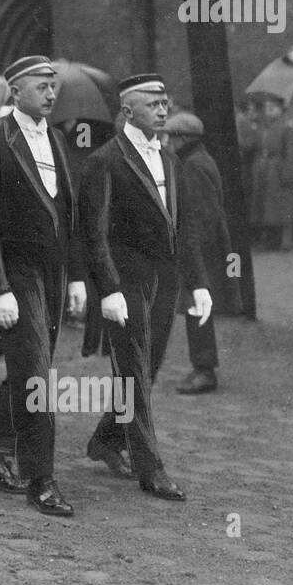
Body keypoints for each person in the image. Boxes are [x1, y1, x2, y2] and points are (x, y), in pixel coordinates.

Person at [78, 74, 211, 502]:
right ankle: (151, 467)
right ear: (127, 111)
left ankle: (106, 440)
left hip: (165, 280)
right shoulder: (105, 160)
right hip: (125, 279)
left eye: (164, 102)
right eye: (152, 103)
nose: (162, 109)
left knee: (146, 368)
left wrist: (200, 284)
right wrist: (109, 288)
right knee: (133, 369)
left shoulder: (172, 161)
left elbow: (186, 228)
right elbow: (94, 234)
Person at [0, 58, 85, 516]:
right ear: (16, 92)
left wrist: (75, 275)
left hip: (52, 274)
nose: (51, 95)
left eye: (54, 87)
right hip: (16, 274)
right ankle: (42, 478)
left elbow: (68, 213)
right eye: (42, 87)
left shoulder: (55, 138)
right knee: (37, 374)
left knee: (28, 366)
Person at [163, 111, 239, 394]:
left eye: (171, 137)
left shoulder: (193, 166)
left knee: (197, 307)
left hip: (200, 250)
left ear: (183, 139)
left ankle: (204, 370)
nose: (168, 143)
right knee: (198, 307)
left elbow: (200, 214)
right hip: (205, 247)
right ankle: (203, 367)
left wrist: (190, 249)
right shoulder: (201, 159)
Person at [249, 96, 293, 250]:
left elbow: (292, 152)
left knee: (280, 207)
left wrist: (287, 174)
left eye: (273, 108)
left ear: (280, 109)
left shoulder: (287, 127)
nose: (268, 111)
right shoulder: (262, 127)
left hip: (278, 170)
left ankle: (285, 240)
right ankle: (269, 240)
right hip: (263, 168)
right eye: (267, 108)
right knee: (264, 207)